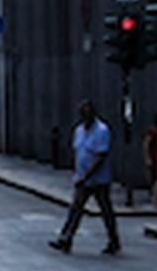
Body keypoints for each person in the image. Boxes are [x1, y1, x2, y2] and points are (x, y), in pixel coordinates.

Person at [51, 100, 121, 255]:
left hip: (98, 179)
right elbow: (78, 153)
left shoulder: (102, 130)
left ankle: (114, 240)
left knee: (106, 211)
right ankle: (66, 238)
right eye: (83, 114)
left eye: (88, 114)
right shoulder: (79, 130)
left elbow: (100, 156)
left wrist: (86, 175)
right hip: (82, 178)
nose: (85, 117)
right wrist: (77, 173)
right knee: (75, 209)